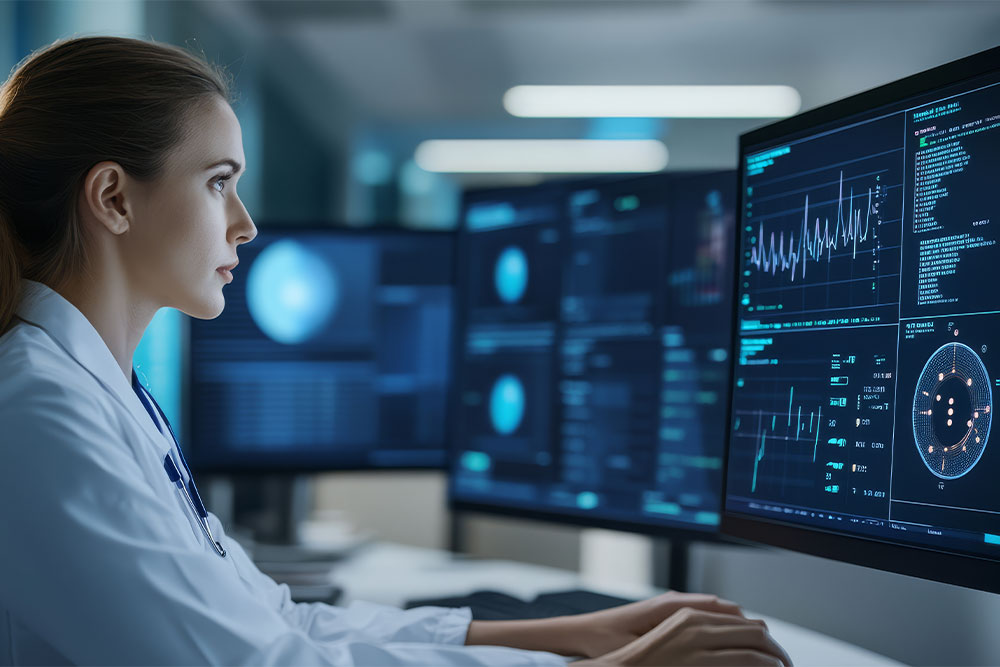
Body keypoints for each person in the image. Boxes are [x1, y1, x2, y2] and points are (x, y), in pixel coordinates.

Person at [0, 36, 791, 666]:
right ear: (112, 197)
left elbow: (276, 620)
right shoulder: (40, 413)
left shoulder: (101, 393)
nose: (244, 223)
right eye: (217, 182)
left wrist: (576, 633)